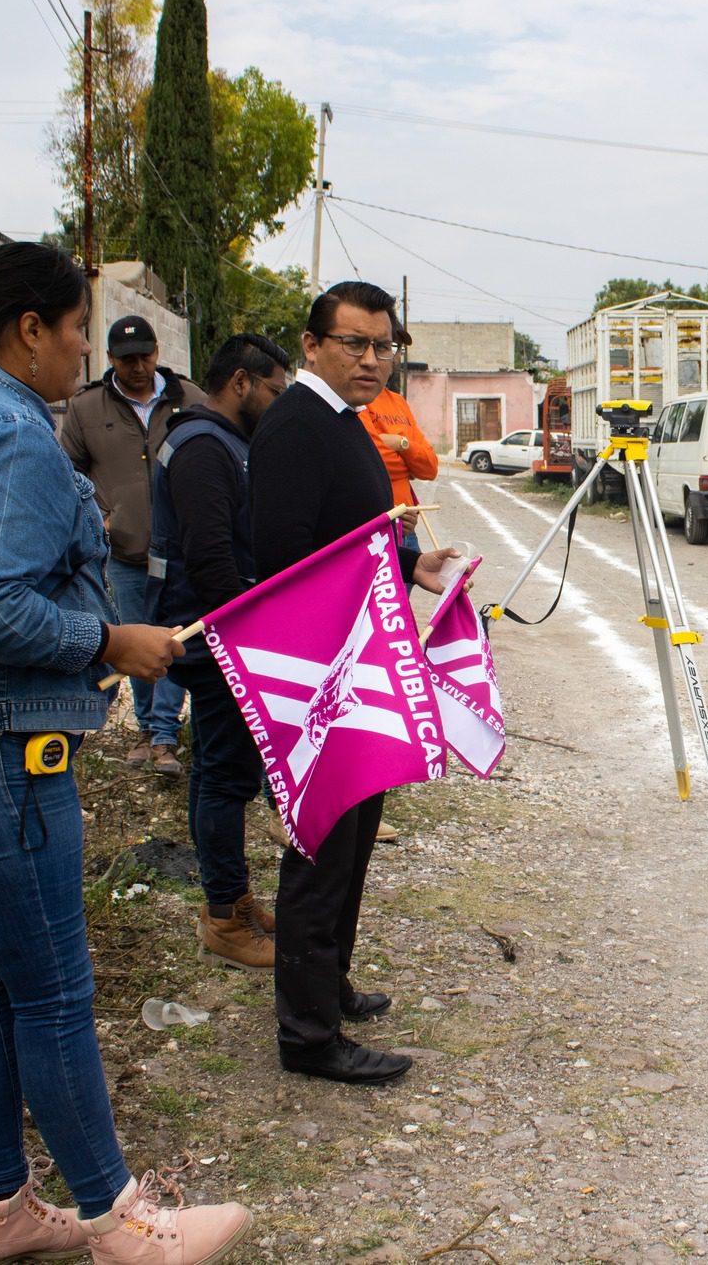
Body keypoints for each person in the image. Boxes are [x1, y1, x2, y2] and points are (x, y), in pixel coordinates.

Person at [0, 243, 250, 1262]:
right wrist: (111, 641)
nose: (83, 348)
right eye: (77, 328)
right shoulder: (5, 431)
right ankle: (124, 1229)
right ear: (28, 329)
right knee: (51, 990)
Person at [251, 280, 460, 1086]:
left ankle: (326, 985)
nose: (372, 358)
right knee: (320, 851)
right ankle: (306, 1035)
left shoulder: (345, 421)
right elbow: (287, 565)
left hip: (360, 665)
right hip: (321, 677)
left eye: (383, 345)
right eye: (354, 343)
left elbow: (354, 540)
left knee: (353, 842)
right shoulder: (296, 428)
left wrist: (414, 562)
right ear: (311, 345)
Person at [148, 332, 293, 972]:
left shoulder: (223, 442)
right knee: (226, 776)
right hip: (214, 640)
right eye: (272, 390)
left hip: (222, 636)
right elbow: (210, 560)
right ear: (240, 381)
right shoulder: (204, 448)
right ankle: (223, 917)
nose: (276, 403)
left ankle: (231, 901)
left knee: (218, 770)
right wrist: (248, 640)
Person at [59, 315, 201, 776]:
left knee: (173, 638)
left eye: (145, 356)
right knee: (134, 638)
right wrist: (98, 517)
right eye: (127, 359)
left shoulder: (188, 398)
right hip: (123, 550)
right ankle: (146, 730)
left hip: (178, 551)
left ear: (157, 352)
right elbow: (67, 471)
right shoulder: (87, 407)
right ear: (110, 360)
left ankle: (165, 737)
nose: (138, 366)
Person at [356, 321, 439, 551]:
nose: (392, 355)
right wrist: (411, 462)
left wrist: (400, 444)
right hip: (376, 535)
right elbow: (368, 459)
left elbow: (430, 467)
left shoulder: (399, 402)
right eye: (385, 346)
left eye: (395, 348)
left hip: (407, 532)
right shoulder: (358, 400)